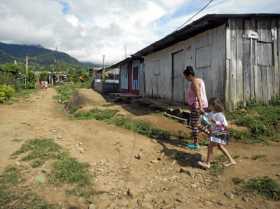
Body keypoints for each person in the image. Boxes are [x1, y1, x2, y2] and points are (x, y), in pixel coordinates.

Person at [198, 98, 236, 169]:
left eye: (209, 104)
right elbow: (208, 116)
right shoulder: (213, 113)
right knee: (220, 146)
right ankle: (231, 160)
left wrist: (215, 123)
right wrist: (203, 113)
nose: (208, 106)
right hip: (217, 132)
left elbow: (224, 125)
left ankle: (207, 163)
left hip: (220, 132)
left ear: (214, 105)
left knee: (210, 146)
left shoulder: (219, 115)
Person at [184, 66, 208, 150]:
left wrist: (200, 107)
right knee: (196, 124)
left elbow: (198, 94)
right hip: (199, 105)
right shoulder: (200, 80)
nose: (186, 78)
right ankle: (211, 134)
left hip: (197, 106)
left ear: (190, 75)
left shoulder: (194, 82)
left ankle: (196, 144)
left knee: (194, 125)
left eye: (186, 76)